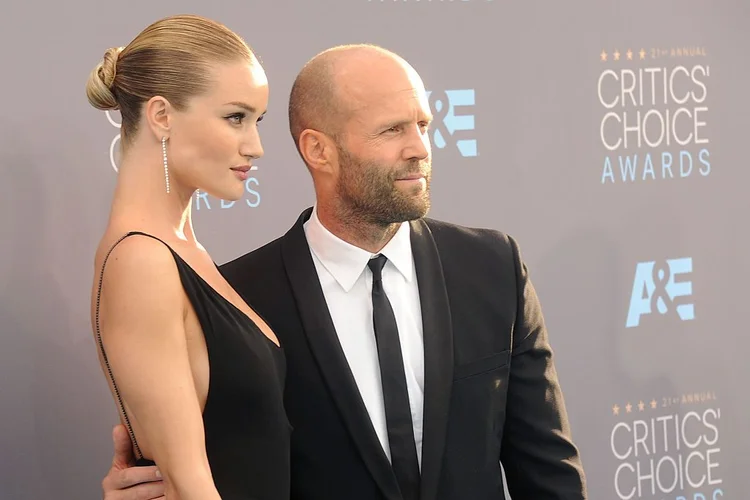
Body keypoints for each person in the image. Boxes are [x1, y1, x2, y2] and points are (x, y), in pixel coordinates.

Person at [102, 44, 588, 499]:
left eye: (423, 124)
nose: (420, 146)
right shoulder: (240, 299)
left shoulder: (492, 267)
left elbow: (547, 469)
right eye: (392, 130)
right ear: (318, 150)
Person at [87, 14, 290, 500]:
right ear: (161, 115)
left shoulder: (183, 252)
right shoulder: (142, 261)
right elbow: (188, 484)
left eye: (256, 121)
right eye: (235, 117)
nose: (256, 146)